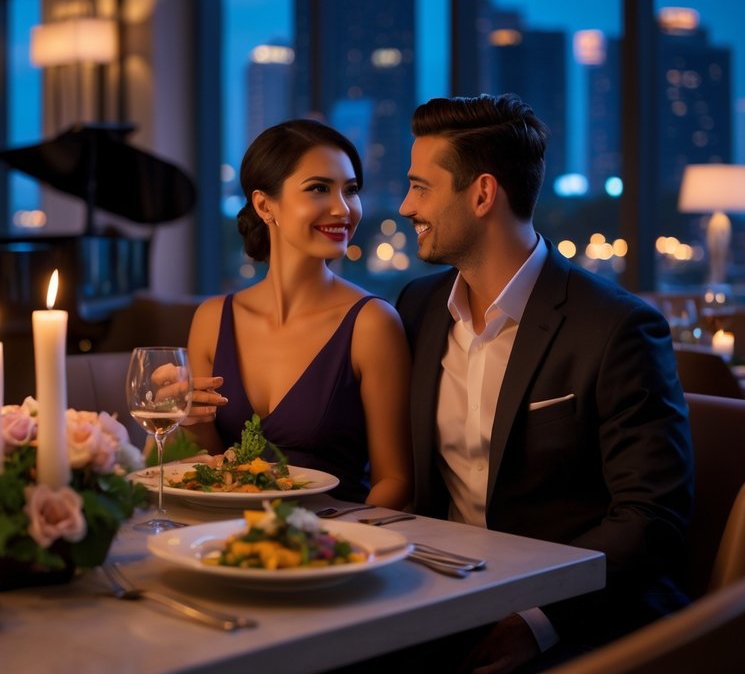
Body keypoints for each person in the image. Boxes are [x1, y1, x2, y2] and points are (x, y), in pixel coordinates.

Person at [395, 95, 694, 670]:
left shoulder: (616, 327)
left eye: (420, 187)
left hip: (580, 620)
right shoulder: (418, 307)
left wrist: (536, 621)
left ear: (482, 194)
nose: (407, 205)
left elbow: (652, 518)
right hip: (440, 599)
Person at [186, 119, 412, 508]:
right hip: (232, 540)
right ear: (264, 205)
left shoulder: (372, 323)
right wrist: (190, 420)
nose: (343, 209)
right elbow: (212, 463)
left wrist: (340, 548)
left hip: (335, 544)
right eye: (319, 188)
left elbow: (396, 480)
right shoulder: (211, 319)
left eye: (351, 190)